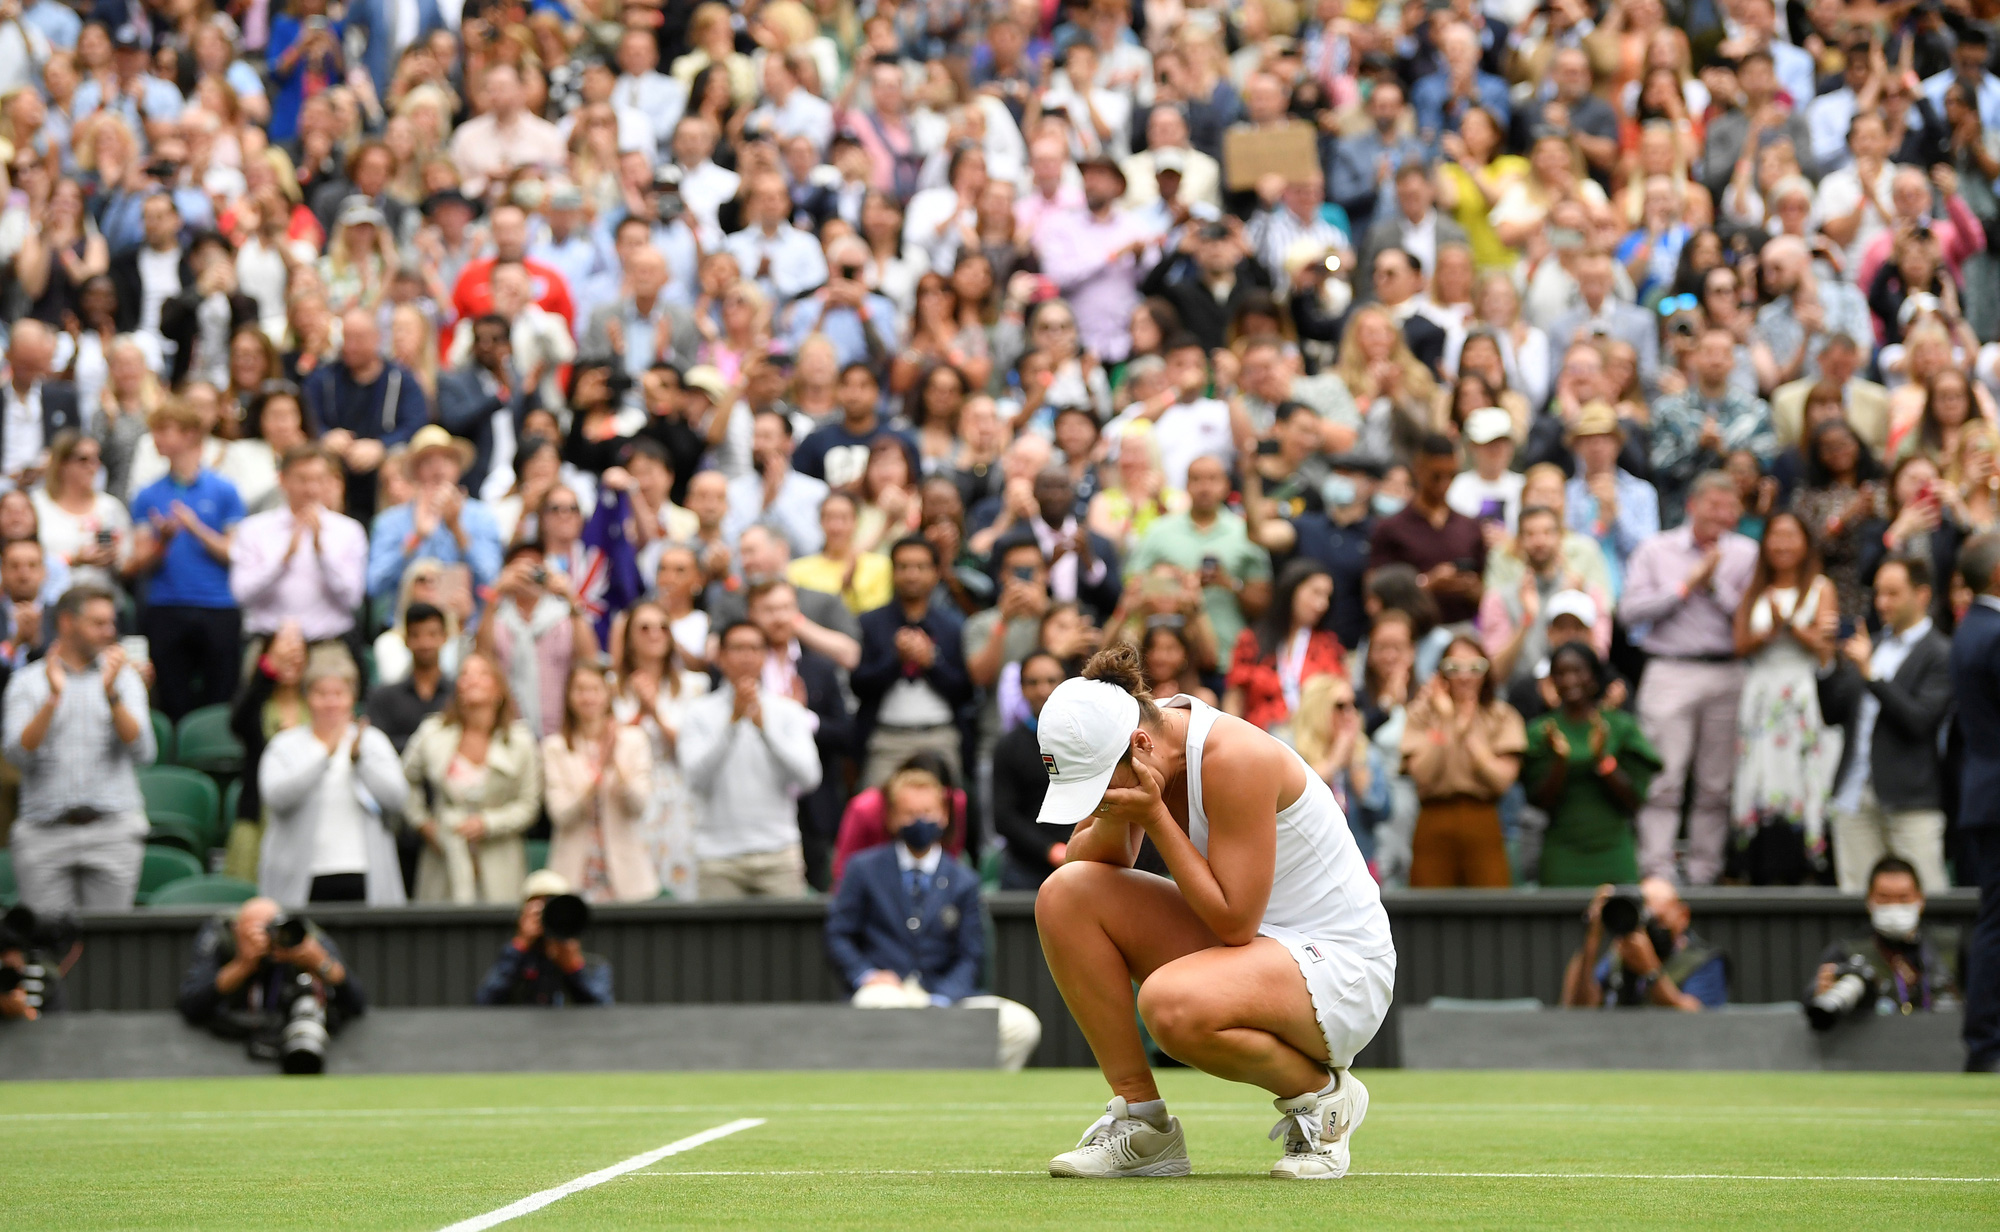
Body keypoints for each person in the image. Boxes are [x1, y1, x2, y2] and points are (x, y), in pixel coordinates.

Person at [1031, 643, 1394, 1180]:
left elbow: (1233, 921)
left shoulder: (1234, 757)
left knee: (1171, 1005)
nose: (1095, 799)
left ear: (1139, 743)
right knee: (1064, 895)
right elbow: (1090, 868)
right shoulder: (1147, 755)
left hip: (1343, 971)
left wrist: (1153, 813)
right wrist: (1116, 810)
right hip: (1257, 952)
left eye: (1098, 784)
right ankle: (1143, 1122)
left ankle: (1323, 1098)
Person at [826, 763, 1044, 1072]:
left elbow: (972, 955)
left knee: (1021, 1025)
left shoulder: (964, 880)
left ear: (943, 815)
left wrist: (942, 999)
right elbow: (838, 934)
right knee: (877, 1005)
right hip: (888, 994)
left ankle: (968, 1093)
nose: (920, 821)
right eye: (910, 813)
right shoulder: (863, 870)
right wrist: (867, 974)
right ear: (891, 817)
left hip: (947, 998)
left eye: (928, 812)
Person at [1618, 472, 1760, 885]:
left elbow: (1753, 620)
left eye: (1729, 507)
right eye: (1713, 505)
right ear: (1692, 505)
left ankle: (1704, 872)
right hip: (1669, 669)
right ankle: (1657, 871)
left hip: (1728, 670)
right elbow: (1629, 612)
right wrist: (1685, 586)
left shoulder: (1747, 554)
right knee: (1663, 779)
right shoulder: (1655, 549)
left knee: (1717, 785)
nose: (1721, 515)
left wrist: (1714, 586)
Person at [0, 585, 153, 914]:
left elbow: (144, 752)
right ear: (67, 622)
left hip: (112, 830)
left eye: (111, 623)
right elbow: (17, 756)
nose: (109, 632)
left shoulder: (124, 680)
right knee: (46, 950)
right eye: (98, 623)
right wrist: (52, 700)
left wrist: (112, 695)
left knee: (109, 951)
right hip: (44, 833)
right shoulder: (27, 682)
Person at [1817, 556, 1953, 895]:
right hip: (1854, 795)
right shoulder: (1871, 643)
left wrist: (1871, 675)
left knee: (1928, 897)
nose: (1881, 603)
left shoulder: (1941, 652)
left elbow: (1918, 722)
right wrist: (1825, 663)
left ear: (1922, 595)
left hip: (1911, 799)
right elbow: (1833, 714)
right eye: (1878, 594)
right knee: (1855, 899)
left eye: (1893, 593)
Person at [1730, 511, 1844, 885]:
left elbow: (1826, 648)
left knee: (1800, 770)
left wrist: (1791, 626)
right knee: (1760, 770)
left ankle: (1805, 852)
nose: (1782, 544)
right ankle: (1757, 853)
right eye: (1775, 536)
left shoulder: (1820, 587)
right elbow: (1739, 643)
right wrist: (1768, 633)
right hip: (1762, 690)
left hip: (1801, 689)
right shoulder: (1755, 587)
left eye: (1790, 536)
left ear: (1805, 543)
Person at [679, 620, 823, 900]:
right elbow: (694, 779)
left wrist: (764, 728)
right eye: (738, 648)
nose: (747, 656)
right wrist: (732, 724)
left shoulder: (788, 711)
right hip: (718, 857)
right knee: (717, 945)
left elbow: (809, 778)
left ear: (765, 656)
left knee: (785, 944)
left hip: (779, 854)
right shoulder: (698, 712)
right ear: (720, 657)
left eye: (755, 648)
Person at [255, 649, 408, 907]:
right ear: (307, 699)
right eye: (321, 694)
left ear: (352, 698)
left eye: (339, 694)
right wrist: (325, 752)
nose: (331, 703)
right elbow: (276, 797)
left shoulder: (371, 741)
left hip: (364, 873)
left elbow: (397, 799)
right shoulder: (285, 745)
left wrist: (361, 761)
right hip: (301, 878)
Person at [124, 399, 244, 720]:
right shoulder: (147, 495)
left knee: (221, 696)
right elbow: (138, 563)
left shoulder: (225, 490)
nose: (157, 439)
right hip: (166, 606)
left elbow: (235, 553)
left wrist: (196, 528)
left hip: (218, 606)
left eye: (165, 430)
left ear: (191, 435)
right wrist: (162, 541)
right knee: (171, 697)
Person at [401, 652, 543, 904]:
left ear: (499, 689)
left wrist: (487, 823)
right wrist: (423, 823)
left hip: (500, 864)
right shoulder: (433, 732)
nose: (471, 680)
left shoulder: (521, 741)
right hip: (442, 861)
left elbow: (528, 805)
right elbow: (403, 782)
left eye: (482, 674)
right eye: (465, 674)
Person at [1523, 643, 1660, 887]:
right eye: (1561, 674)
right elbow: (1539, 802)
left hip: (1613, 851)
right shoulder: (1541, 730)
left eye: (1578, 671)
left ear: (1595, 676)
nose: (1570, 680)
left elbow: (1633, 801)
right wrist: (1560, 763)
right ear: (1551, 681)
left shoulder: (1620, 726)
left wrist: (1602, 759)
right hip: (1562, 853)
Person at [1398, 635, 1525, 888]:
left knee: (1490, 907)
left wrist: (1467, 736)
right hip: (1433, 820)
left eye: (1475, 668)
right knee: (1429, 910)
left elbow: (1501, 781)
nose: (1465, 677)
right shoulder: (1421, 714)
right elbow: (1422, 775)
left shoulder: (1502, 716)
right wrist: (1446, 722)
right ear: (1441, 673)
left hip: (1483, 819)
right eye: (1454, 668)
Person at [1126, 455, 1271, 673]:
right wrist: (1175, 584)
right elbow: (1132, 586)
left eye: (1213, 479)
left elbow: (1264, 603)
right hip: (1166, 661)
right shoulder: (1160, 531)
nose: (1205, 487)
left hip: (1227, 656)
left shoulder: (1246, 534)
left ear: (1226, 485)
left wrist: (1229, 583)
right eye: (1197, 479)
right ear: (1186, 485)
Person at [1945, 531, 2000, 1071]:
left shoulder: (1973, 628)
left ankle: (1984, 1041)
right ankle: (1985, 1044)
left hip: (1984, 793)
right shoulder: (1994, 631)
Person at [853, 537, 970, 788]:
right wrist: (896, 660)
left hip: (940, 734)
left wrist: (931, 662)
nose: (911, 575)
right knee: (873, 810)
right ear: (892, 572)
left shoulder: (953, 625)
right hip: (886, 736)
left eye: (920, 567)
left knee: (949, 810)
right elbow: (859, 685)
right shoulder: (871, 623)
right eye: (903, 567)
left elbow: (965, 691)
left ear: (936, 573)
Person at [175, 897, 366, 1046]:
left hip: (293, 1031)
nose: (271, 939)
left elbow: (357, 1002)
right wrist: (243, 965)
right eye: (260, 931)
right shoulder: (221, 935)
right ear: (238, 929)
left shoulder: (301, 934)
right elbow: (191, 1003)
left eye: (274, 930)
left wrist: (321, 964)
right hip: (231, 1035)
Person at [228, 444, 366, 648]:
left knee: (331, 680)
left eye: (319, 480)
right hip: (268, 641)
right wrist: (283, 559)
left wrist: (322, 552)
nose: (311, 489)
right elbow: (241, 594)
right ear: (282, 480)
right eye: (302, 479)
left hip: (329, 642)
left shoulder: (349, 530)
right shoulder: (253, 529)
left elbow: (352, 599)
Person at [542, 664, 657, 905]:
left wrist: (614, 760)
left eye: (595, 689)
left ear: (608, 694)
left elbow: (639, 806)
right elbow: (561, 814)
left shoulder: (633, 740)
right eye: (580, 690)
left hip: (626, 876)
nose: (588, 697)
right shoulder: (555, 747)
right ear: (569, 696)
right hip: (573, 875)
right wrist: (596, 775)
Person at [1806, 856, 1961, 1022]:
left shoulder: (1950, 946)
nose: (1894, 906)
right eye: (1884, 898)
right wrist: (1820, 993)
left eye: (1903, 898)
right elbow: (1812, 1005)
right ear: (1870, 900)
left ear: (1920, 899)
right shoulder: (1847, 950)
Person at [1368, 434, 1485, 625]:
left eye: (1451, 476)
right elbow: (1374, 592)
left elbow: (1485, 593)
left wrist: (1470, 587)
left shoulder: (1470, 527)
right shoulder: (1390, 528)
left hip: (1461, 633)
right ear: (1418, 469)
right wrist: (1426, 583)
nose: (1444, 484)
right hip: (1411, 632)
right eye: (1436, 476)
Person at [1560, 878, 1728, 1010]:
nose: (1650, 931)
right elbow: (1578, 1007)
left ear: (1682, 915)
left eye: (1657, 921)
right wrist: (1592, 938)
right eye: (1644, 922)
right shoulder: (1622, 953)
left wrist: (1650, 971)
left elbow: (1696, 1019)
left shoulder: (1703, 961)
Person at [1222, 559, 1344, 735]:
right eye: (1315, 593)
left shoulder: (1329, 645)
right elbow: (1234, 699)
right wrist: (1231, 737)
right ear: (1291, 590)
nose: (1322, 604)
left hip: (1311, 742)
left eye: (1327, 597)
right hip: (1259, 739)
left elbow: (1339, 697)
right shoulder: (1252, 640)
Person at [475, 870, 614, 1007]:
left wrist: (573, 968)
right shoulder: (515, 964)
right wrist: (520, 945)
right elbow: (484, 1002)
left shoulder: (593, 966)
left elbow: (603, 1012)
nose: (546, 914)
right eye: (538, 907)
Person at [991, 650, 1070, 890]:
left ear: (1066, 683)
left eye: (1051, 681)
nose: (1043, 690)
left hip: (1084, 857)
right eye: (1033, 682)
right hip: (1025, 868)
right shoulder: (1008, 747)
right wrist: (1050, 850)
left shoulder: (1088, 739)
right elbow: (1004, 817)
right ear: (1022, 688)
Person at [364, 601, 452, 754]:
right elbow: (375, 747)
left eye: (432, 634)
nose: (425, 643)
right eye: (416, 635)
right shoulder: (383, 697)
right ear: (406, 640)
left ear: (444, 637)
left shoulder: (458, 694)